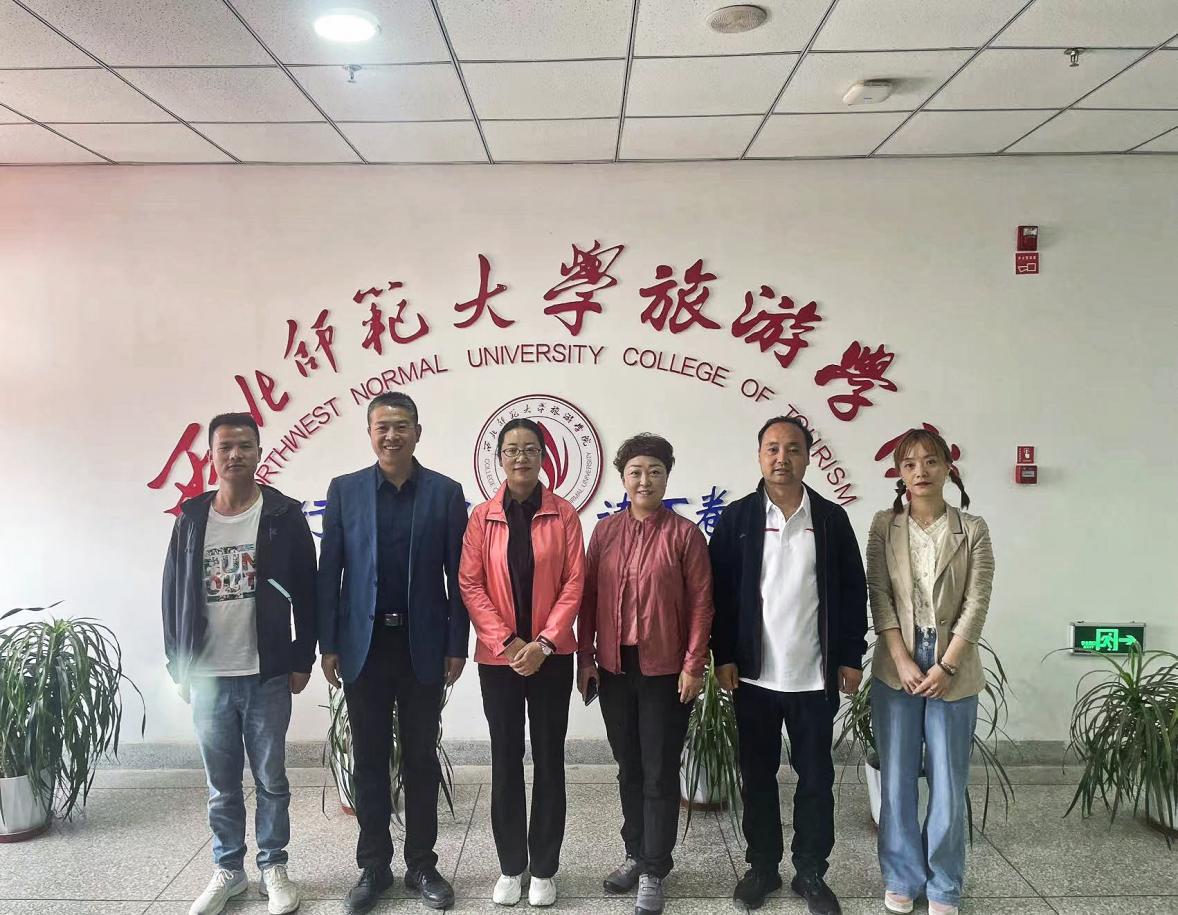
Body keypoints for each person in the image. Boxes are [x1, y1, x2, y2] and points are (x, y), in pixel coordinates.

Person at [317, 392, 469, 914]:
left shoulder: (446, 494)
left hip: (422, 646)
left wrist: (456, 644)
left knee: (422, 758)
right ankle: (373, 866)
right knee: (369, 759)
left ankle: (422, 864)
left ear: (417, 433)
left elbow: (460, 577)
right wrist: (328, 643)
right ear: (369, 432)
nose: (391, 435)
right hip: (364, 647)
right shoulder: (345, 491)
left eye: (401, 426)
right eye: (382, 426)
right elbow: (330, 573)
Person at [709, 415, 868, 915]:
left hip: (813, 676)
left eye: (793, 448)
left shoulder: (830, 519)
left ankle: (811, 871)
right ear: (760, 456)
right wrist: (723, 655)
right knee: (757, 777)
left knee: (816, 779)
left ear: (808, 456)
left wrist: (850, 656)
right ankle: (762, 867)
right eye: (773, 448)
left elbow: (852, 592)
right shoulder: (737, 519)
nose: (782, 458)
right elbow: (718, 595)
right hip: (754, 676)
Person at [162, 412, 316, 915]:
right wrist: (177, 663)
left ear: (258, 452)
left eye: (244, 445)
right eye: (225, 447)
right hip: (207, 675)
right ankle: (229, 870)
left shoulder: (283, 515)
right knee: (221, 784)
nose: (235, 455)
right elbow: (172, 593)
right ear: (211, 456)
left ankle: (274, 866)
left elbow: (308, 592)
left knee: (271, 779)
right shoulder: (191, 518)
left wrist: (303, 655)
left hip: (266, 672)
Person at [577, 433, 714, 915]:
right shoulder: (605, 534)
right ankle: (635, 853)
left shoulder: (685, 535)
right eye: (635, 471)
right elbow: (588, 601)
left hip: (665, 672)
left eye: (654, 471)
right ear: (623, 478)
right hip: (615, 669)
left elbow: (702, 605)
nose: (644, 480)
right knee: (629, 766)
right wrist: (586, 659)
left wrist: (693, 666)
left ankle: (655, 868)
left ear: (667, 477)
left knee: (658, 770)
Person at [866, 428, 994, 915]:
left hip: (953, 664)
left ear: (948, 468)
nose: (921, 471)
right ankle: (902, 876)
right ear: (899, 473)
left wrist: (947, 663)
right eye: (910, 464)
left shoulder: (972, 528)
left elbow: (977, 601)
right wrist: (901, 658)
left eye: (931, 461)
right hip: (896, 659)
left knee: (947, 780)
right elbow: (878, 593)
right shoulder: (884, 525)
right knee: (897, 778)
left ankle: (943, 883)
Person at [459, 417, 585, 908]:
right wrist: (510, 644)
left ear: (543, 456)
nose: (521, 457)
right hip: (500, 662)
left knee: (550, 759)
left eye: (530, 449)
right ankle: (512, 866)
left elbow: (575, 582)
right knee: (505, 759)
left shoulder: (564, 514)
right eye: (511, 449)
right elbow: (470, 584)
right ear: (499, 458)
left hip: (552, 659)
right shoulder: (482, 517)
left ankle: (545, 868)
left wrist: (545, 643)